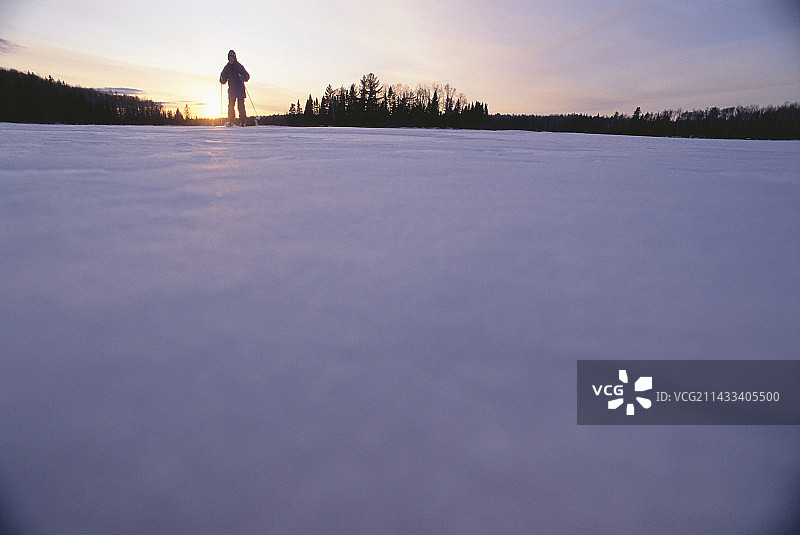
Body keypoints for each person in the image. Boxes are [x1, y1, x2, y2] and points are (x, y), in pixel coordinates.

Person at [219, 50, 250, 126]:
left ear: (234, 57)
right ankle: (231, 121)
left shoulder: (239, 66)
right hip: (232, 90)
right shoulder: (226, 68)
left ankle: (243, 122)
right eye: (230, 57)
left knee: (241, 107)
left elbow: (247, 76)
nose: (231, 59)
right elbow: (223, 80)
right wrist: (222, 79)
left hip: (240, 89)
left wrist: (243, 77)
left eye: (232, 57)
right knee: (231, 106)